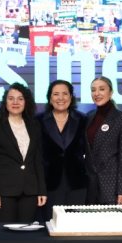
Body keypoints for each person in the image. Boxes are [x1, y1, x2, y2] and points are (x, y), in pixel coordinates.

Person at [0, 83, 47, 222]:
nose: (15, 102)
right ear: (5, 102)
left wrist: (41, 189)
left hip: (30, 190)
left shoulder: (35, 125)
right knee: (6, 237)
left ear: (26, 102)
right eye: (11, 98)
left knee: (26, 237)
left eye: (20, 98)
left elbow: (38, 160)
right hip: (4, 191)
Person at [39, 80, 88, 217]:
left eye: (65, 94)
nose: (60, 98)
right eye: (56, 94)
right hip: (49, 183)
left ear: (71, 97)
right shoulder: (38, 121)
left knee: (75, 225)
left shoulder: (83, 119)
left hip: (77, 182)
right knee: (51, 224)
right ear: (50, 98)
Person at [85, 77, 122, 205]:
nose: (97, 93)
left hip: (112, 187)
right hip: (90, 186)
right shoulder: (89, 117)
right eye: (93, 90)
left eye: (102, 89)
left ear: (110, 93)